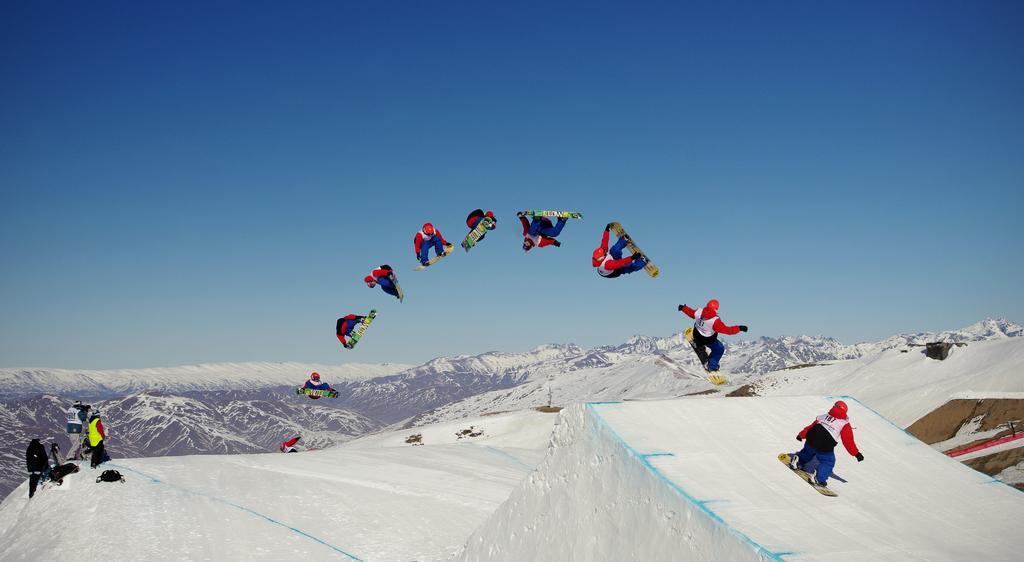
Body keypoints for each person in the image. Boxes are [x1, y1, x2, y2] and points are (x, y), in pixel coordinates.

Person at [790, 400, 865, 487]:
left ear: (834, 407)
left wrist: (801, 435)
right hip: (825, 443)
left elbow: (811, 427)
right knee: (828, 461)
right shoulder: (844, 424)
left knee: (808, 451)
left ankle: (798, 460)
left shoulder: (823, 416)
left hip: (812, 437)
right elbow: (848, 441)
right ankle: (818, 477)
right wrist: (856, 453)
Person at [678, 300, 748, 372]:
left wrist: (683, 308)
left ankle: (698, 345)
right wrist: (739, 328)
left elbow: (691, 313)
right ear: (716, 309)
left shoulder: (699, 311)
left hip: (696, 334)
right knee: (719, 349)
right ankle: (711, 366)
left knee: (699, 338)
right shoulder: (715, 321)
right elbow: (728, 330)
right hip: (708, 340)